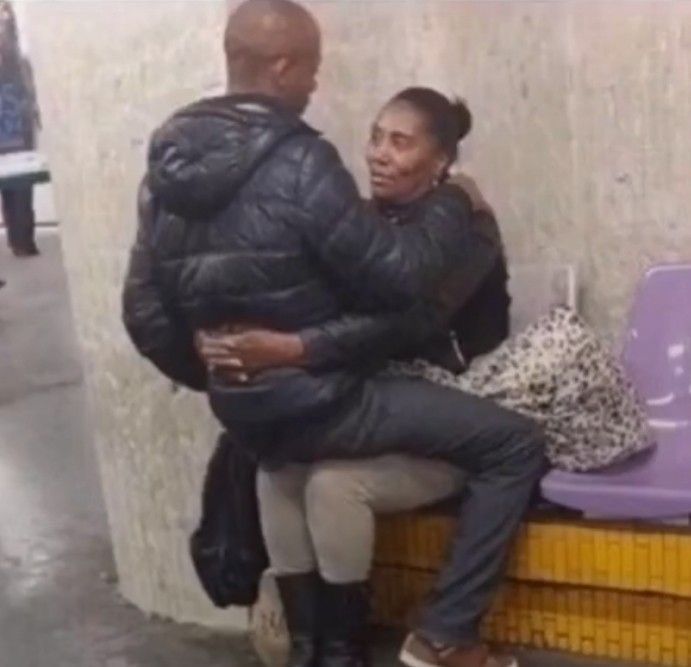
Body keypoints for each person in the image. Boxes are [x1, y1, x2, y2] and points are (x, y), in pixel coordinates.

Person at [122, 2, 545, 667]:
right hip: (327, 398)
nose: (316, 86)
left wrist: (221, 365)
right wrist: (453, 200)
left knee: (286, 466)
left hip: (250, 407)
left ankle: (317, 651)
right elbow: (402, 285)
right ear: (285, 65)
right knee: (515, 443)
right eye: (313, 69)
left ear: (437, 157)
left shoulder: (164, 166)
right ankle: (436, 632)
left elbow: (143, 312)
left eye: (397, 141)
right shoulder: (302, 163)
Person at [199, 87, 651, 665]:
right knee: (289, 466)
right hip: (385, 393)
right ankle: (402, 639)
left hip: (444, 389)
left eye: (400, 141)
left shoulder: (463, 227)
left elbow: (409, 324)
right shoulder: (369, 221)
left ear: (440, 163)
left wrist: (290, 350)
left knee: (315, 470)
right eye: (375, 137)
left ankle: (386, 640)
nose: (378, 154)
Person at [0, 1, 40, 258]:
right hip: (11, 124)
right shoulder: (12, 55)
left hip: (16, 124)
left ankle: (21, 239)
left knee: (19, 185)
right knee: (15, 185)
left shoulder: (16, 56)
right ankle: (21, 239)